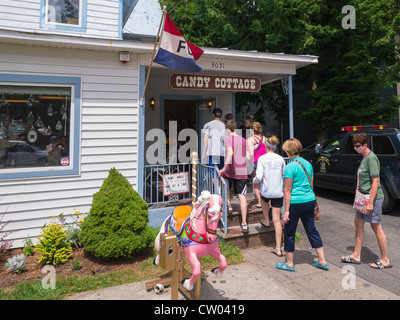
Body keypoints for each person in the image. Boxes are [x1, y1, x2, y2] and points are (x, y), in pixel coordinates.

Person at [341, 133, 391, 269]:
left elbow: (375, 181)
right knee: (358, 222)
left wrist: (370, 203)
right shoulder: (364, 158)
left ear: (365, 145)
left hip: (372, 199)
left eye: (358, 146)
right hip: (362, 199)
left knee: (376, 227)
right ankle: (356, 255)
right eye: (354, 146)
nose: (355, 149)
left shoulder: (371, 159)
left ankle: (385, 259)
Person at [278, 138, 328, 271]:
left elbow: (287, 190)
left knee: (290, 232)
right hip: (309, 201)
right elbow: (311, 185)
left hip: (295, 203)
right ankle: (322, 261)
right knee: (311, 230)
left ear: (288, 151)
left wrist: (286, 210)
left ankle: (289, 263)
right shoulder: (308, 164)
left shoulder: (290, 167)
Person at [253, 136, 285, 256]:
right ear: (276, 147)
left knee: (263, 199)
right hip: (278, 192)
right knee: (277, 220)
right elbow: (284, 174)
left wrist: (254, 180)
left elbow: (259, 175)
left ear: (266, 146)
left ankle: (266, 219)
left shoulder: (262, 158)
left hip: (266, 190)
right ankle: (278, 248)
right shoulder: (281, 159)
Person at [219, 120, 253, 233]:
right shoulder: (243, 140)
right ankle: (244, 223)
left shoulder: (228, 139)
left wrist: (224, 167)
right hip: (241, 170)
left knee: (226, 186)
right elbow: (249, 157)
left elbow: (230, 153)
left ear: (228, 130)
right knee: (242, 196)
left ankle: (229, 205)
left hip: (230, 170)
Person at [248, 121, 267, 208]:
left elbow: (251, 154)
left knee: (256, 183)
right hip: (265, 162)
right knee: (265, 181)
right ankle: (267, 202)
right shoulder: (265, 138)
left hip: (255, 162)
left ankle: (259, 202)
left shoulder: (251, 139)